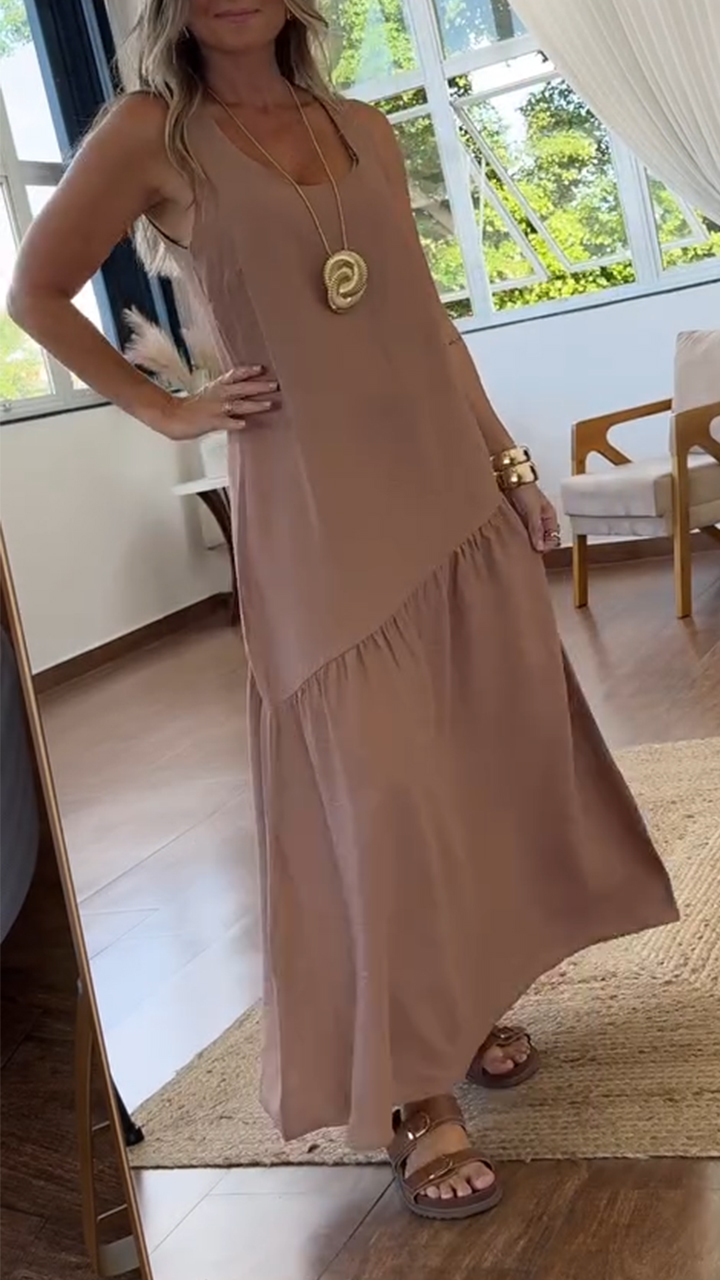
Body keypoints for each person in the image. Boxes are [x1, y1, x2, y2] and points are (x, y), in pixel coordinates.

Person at [9, 0, 678, 1222]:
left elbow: (427, 320)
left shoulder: (363, 125)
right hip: (314, 514)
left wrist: (510, 467)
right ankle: (417, 1090)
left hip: (445, 496)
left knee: (474, 766)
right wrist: (169, 408)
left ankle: (460, 1007)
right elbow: (37, 293)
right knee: (377, 795)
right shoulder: (151, 132)